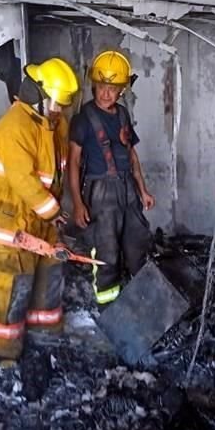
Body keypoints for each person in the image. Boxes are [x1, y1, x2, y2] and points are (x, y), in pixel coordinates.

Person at [0, 57, 78, 364]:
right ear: (38, 96)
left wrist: (52, 214)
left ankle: (45, 336)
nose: (60, 110)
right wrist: (51, 211)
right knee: (14, 282)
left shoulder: (54, 124)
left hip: (40, 217)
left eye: (63, 104)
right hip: (8, 222)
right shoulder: (14, 128)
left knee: (50, 273)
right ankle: (3, 353)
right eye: (56, 103)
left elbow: (54, 175)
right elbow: (23, 179)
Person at [68, 50, 154, 306]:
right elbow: (73, 162)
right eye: (102, 86)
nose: (106, 93)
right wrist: (78, 203)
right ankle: (109, 308)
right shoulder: (83, 119)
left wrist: (143, 190)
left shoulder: (123, 115)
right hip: (101, 192)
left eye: (113, 88)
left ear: (122, 90)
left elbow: (131, 154)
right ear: (94, 85)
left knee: (137, 246)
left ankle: (143, 304)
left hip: (127, 188)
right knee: (107, 254)